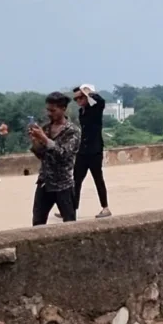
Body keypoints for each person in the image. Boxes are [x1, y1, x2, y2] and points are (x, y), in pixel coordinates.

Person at [29, 92, 81, 225]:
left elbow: (63, 154)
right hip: (45, 182)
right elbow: (42, 155)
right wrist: (35, 141)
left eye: (53, 110)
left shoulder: (72, 131)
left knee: (70, 223)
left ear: (63, 109)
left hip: (63, 184)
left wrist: (45, 139)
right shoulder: (46, 128)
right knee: (38, 222)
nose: (49, 113)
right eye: (48, 110)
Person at [71, 85, 111, 219]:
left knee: (98, 179)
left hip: (95, 150)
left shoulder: (95, 109)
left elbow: (101, 102)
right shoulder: (81, 112)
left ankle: (105, 208)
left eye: (80, 97)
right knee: (76, 180)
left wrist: (90, 93)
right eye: (75, 99)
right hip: (83, 150)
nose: (77, 101)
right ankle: (71, 209)